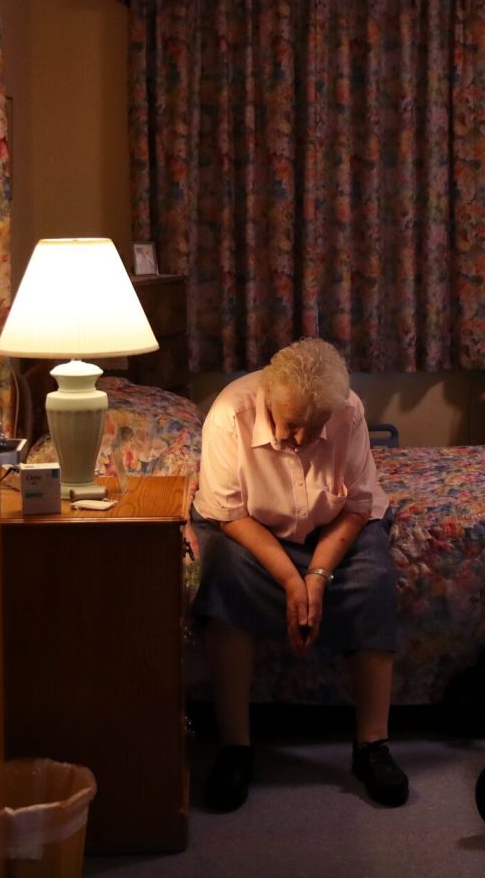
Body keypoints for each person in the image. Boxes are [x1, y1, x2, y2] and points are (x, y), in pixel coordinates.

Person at [189, 338, 408, 812]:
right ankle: (235, 749)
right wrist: (291, 579)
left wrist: (318, 575)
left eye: (315, 428)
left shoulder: (347, 410)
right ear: (270, 399)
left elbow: (355, 507)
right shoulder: (230, 414)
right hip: (253, 526)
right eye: (292, 426)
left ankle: (372, 745)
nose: (302, 440)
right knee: (224, 580)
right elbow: (229, 514)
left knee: (375, 582)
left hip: (335, 526)